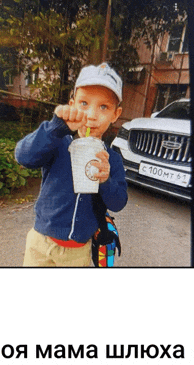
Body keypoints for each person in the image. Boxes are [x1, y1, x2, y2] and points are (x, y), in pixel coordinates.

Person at [15, 62, 128, 267]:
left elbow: (118, 202)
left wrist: (106, 180)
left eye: (103, 107)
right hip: (40, 243)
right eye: (84, 103)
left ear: (116, 114)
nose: (92, 115)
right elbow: (23, 156)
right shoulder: (56, 142)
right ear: (72, 104)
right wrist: (55, 128)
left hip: (78, 252)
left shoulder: (112, 160)